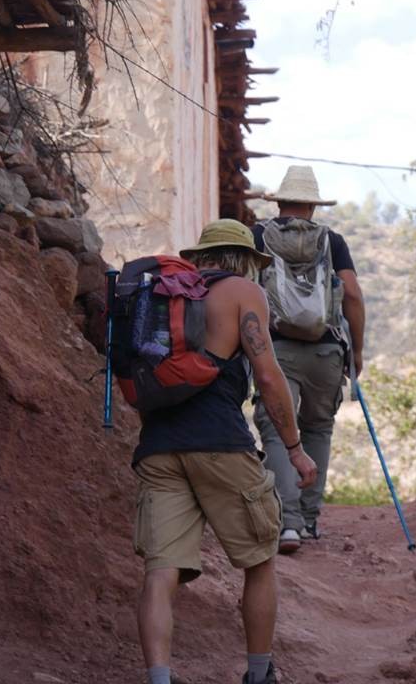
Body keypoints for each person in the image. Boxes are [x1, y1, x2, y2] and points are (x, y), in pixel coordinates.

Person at [131, 219, 319, 684]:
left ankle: (158, 678)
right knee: (259, 558)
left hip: (158, 447)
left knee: (161, 570)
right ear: (245, 261)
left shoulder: (165, 293)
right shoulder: (241, 292)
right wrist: (295, 448)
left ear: (201, 258)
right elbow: (270, 377)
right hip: (221, 445)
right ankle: (259, 674)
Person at [251, 166, 365, 554]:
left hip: (275, 348)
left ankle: (288, 525)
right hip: (326, 350)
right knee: (318, 428)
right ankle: (311, 519)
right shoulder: (331, 241)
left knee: (277, 429)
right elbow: (351, 294)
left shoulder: (258, 237)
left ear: (280, 202)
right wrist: (358, 350)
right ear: (312, 207)